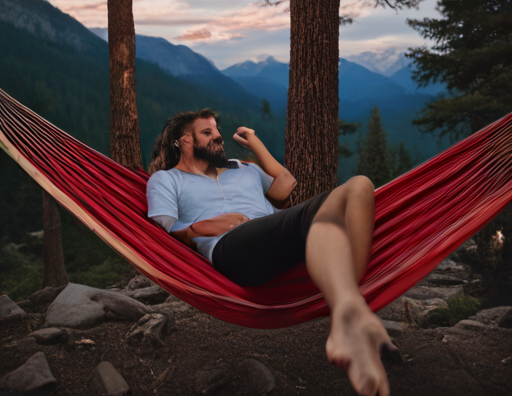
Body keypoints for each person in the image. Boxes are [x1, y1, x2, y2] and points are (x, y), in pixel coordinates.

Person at [146, 109, 398, 396]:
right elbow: (163, 229)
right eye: (208, 133)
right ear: (185, 141)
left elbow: (285, 185)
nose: (218, 136)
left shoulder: (243, 168)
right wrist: (196, 229)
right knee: (315, 221)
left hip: (275, 235)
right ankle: (352, 315)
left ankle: (348, 310)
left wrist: (254, 143)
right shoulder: (167, 180)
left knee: (360, 187)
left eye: (217, 130)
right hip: (233, 248)